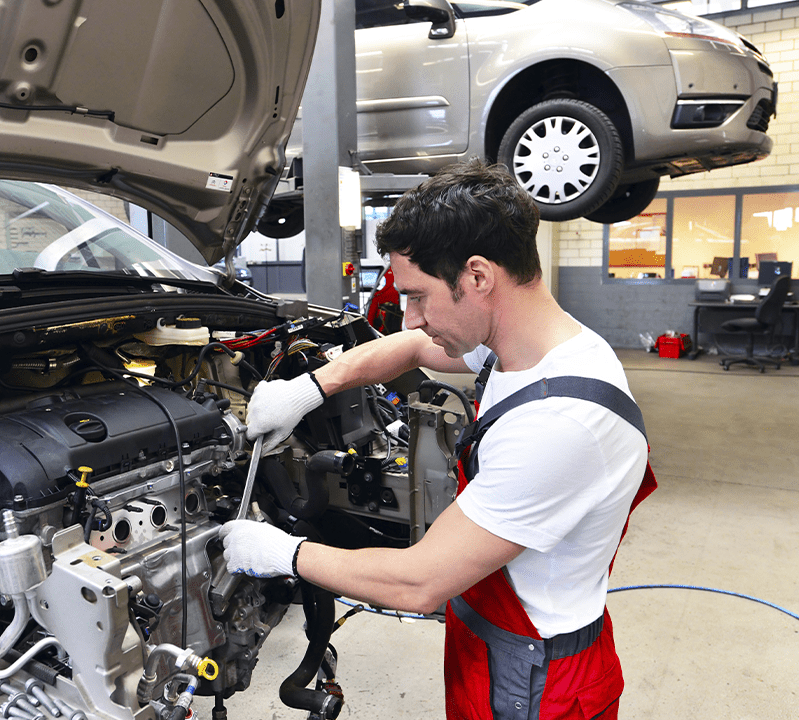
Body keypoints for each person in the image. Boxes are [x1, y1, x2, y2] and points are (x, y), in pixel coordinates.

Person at [219, 159, 656, 719]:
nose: (409, 317)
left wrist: (284, 553)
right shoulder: (525, 345)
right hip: (495, 635)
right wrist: (310, 387)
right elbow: (407, 349)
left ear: (478, 277)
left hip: (538, 680)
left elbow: (420, 582)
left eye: (419, 296)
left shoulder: (561, 422)